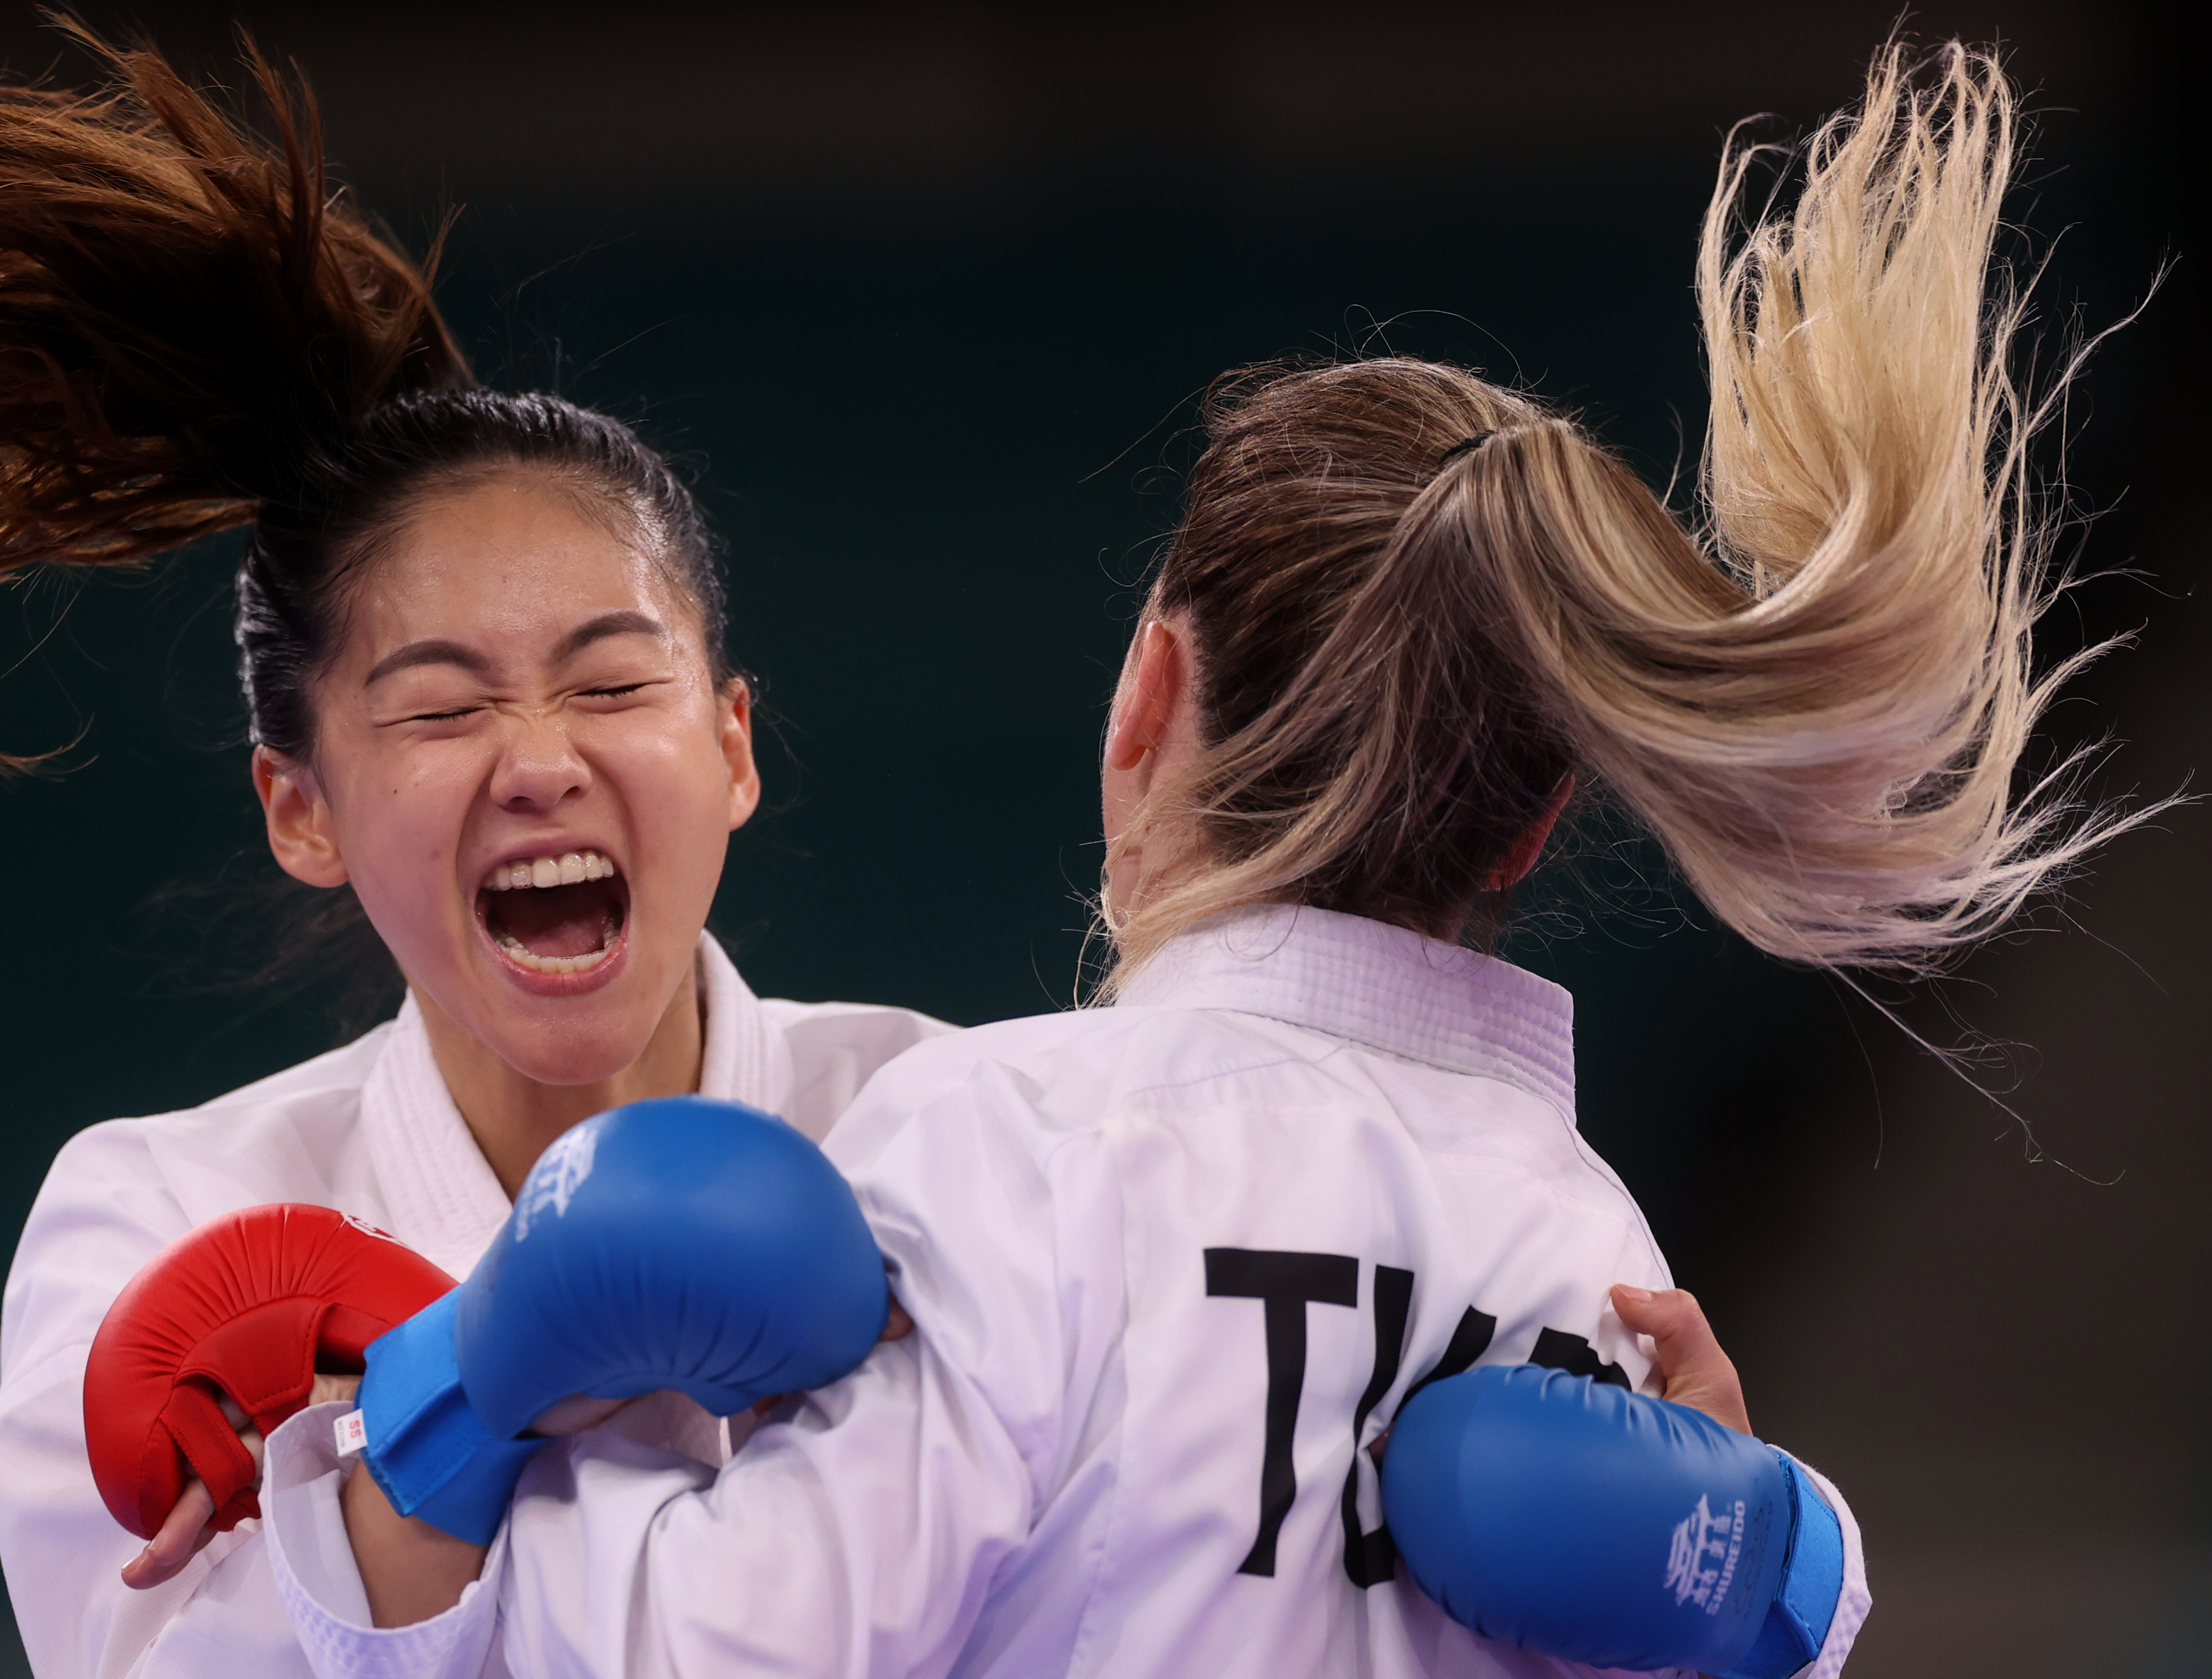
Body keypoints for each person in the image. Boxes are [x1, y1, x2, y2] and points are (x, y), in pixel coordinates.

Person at [0, 24, 1780, 1679]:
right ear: (301, 804)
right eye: (442, 708)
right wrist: (477, 1368)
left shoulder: (942, 1113)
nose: (537, 758)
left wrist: (1738, 1554)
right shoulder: (173, 1219)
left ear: (734, 750)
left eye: (612, 686)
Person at [238, 39, 2133, 1679]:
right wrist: (1795, 1581)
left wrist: (467, 1387)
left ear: (1146, 694)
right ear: (1546, 809)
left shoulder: (1011, 1144)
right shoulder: (1591, 1267)